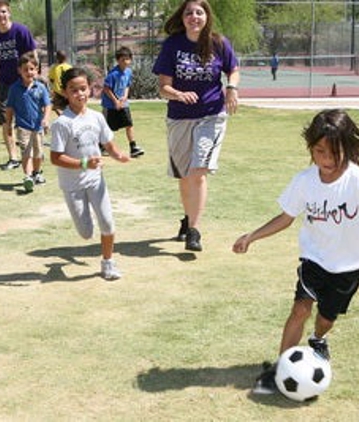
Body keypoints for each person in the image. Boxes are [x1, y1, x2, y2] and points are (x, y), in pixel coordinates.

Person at [233, 109, 359, 394]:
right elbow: (286, 217)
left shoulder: (356, 180)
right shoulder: (305, 181)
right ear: (311, 148)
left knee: (327, 317)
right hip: (314, 258)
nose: (326, 160)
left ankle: (318, 339)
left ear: (348, 149)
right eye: (319, 152)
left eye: (334, 153)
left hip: (349, 265)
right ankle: (280, 369)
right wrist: (252, 236)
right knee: (300, 308)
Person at [152, 0, 240, 252]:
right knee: (184, 176)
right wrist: (178, 94)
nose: (194, 17)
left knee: (198, 172)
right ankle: (188, 217)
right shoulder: (173, 45)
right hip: (179, 117)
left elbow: (233, 69)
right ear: (182, 18)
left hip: (211, 115)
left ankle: (194, 230)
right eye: (189, 12)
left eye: (199, 12)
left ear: (206, 17)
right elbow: (163, 87)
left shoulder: (218, 43)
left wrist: (232, 88)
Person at [50, 67, 130, 280]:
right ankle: (57, 265)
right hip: (72, 186)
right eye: (74, 90)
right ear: (65, 93)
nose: (80, 94)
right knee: (86, 233)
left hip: (96, 180)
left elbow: (109, 145)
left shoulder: (96, 117)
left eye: (83, 88)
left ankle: (108, 263)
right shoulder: (62, 123)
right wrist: (84, 162)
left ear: (91, 89)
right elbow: (55, 158)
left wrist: (119, 155)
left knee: (107, 223)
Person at [0, 0, 37, 170]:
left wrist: (33, 78)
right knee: (6, 121)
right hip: (4, 83)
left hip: (22, 83)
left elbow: (33, 55)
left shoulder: (21, 31)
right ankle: (13, 158)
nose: (1, 15)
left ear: (9, 12)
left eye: (3, 12)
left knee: (25, 121)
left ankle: (28, 155)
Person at [6, 53, 52, 193]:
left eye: (32, 69)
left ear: (36, 70)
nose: (29, 72)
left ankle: (37, 173)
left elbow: (47, 105)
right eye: (25, 69)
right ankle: (28, 176)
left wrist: (45, 119)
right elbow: (9, 107)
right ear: (19, 70)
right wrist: (9, 124)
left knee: (38, 153)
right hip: (23, 127)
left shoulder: (41, 88)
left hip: (37, 127)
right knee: (26, 152)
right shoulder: (14, 89)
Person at [101, 46, 144, 158]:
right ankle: (101, 146)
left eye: (127, 59)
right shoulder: (113, 74)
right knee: (108, 127)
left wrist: (124, 97)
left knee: (129, 124)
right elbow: (106, 89)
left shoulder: (128, 72)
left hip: (123, 103)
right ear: (118, 60)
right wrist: (115, 101)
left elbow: (127, 85)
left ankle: (133, 147)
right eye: (122, 59)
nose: (125, 61)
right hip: (110, 105)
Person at [48, 50, 72, 116]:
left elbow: (51, 79)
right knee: (69, 107)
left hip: (57, 91)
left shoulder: (54, 67)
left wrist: (52, 88)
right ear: (66, 58)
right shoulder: (69, 67)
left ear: (57, 58)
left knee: (57, 107)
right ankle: (67, 116)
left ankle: (61, 116)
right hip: (67, 91)